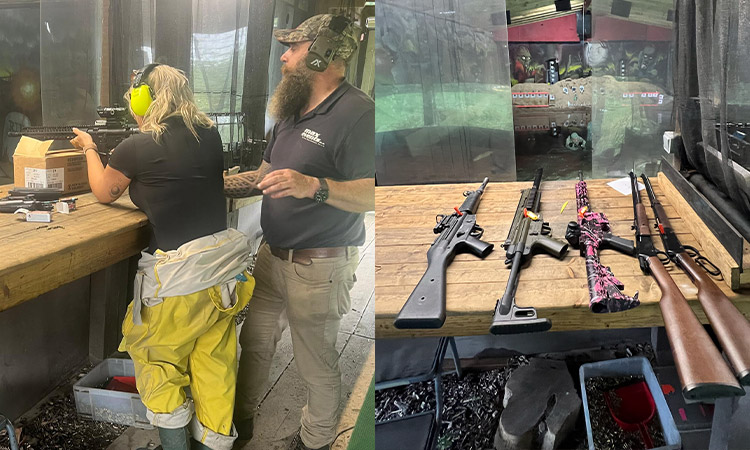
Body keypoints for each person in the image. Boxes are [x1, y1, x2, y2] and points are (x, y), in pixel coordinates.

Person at [69, 63, 255, 450]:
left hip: (178, 281)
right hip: (222, 277)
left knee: (156, 363)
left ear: (143, 99)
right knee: (213, 367)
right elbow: (178, 184)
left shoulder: (138, 146)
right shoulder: (209, 134)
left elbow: (105, 191)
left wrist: (89, 148)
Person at [224, 14, 374, 450]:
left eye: (293, 47)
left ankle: (316, 441)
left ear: (324, 52)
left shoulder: (357, 113)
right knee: (252, 346)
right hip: (272, 257)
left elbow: (377, 193)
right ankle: (239, 423)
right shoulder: (289, 110)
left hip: (319, 267)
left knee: (316, 365)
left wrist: (315, 186)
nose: (285, 56)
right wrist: (203, 183)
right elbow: (263, 176)